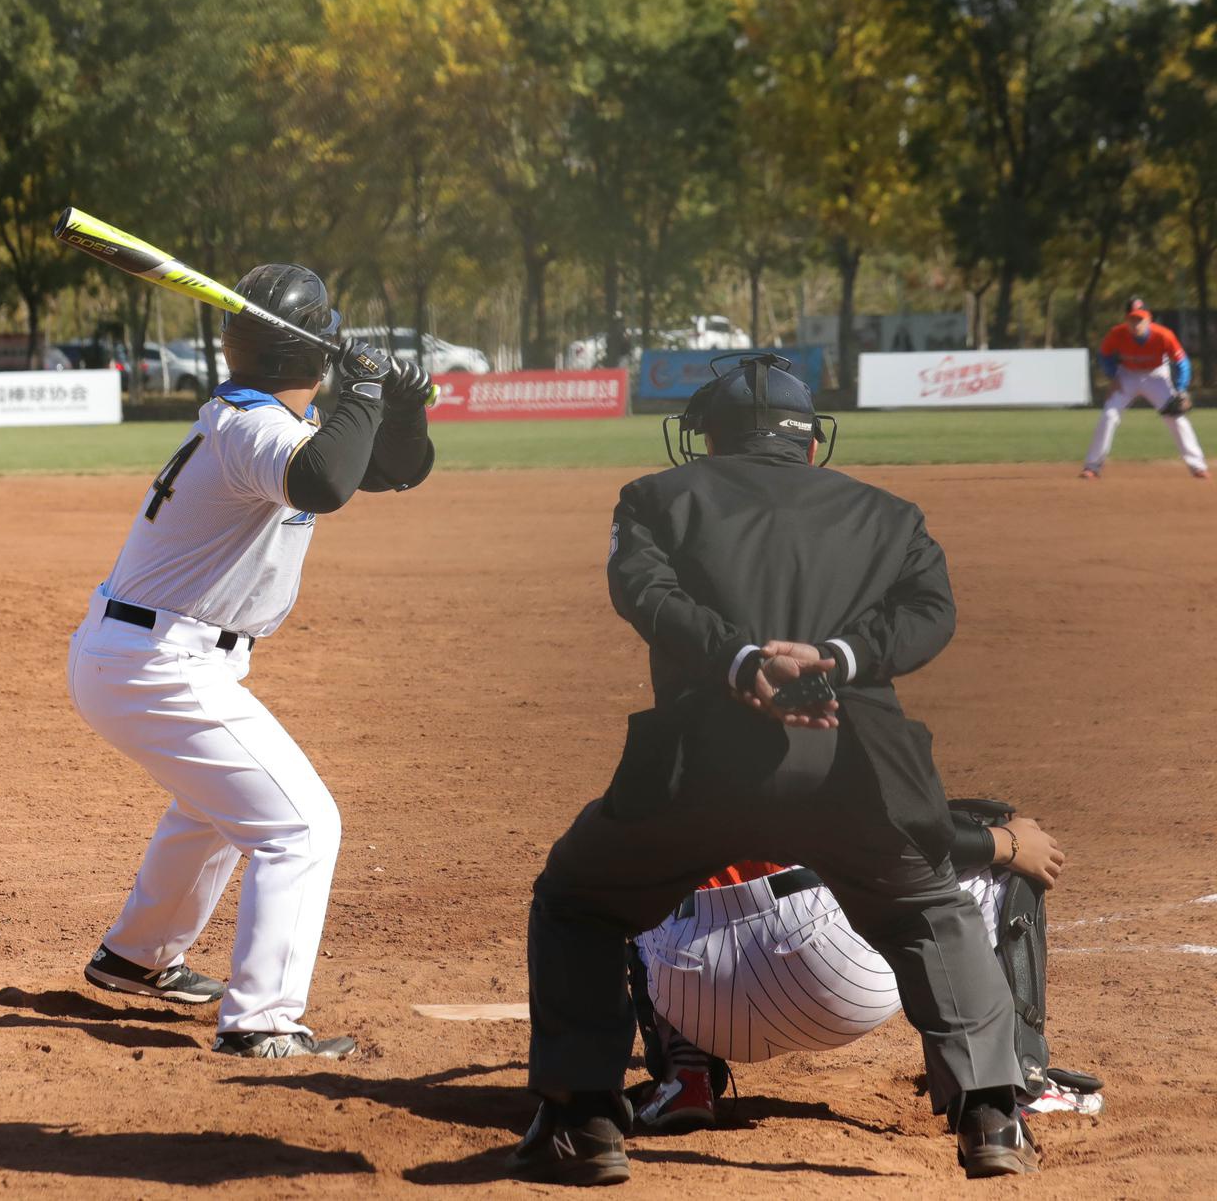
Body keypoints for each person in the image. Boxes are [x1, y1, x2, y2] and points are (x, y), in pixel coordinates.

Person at [512, 354, 1039, 1186]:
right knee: (929, 910)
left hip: (704, 763)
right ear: (808, 439)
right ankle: (990, 1116)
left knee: (579, 900)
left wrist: (739, 658)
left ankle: (585, 1121)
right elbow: (932, 616)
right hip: (857, 762)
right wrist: (841, 655)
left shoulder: (657, 496)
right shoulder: (889, 514)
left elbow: (640, 590)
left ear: (706, 437)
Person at [66, 265, 433, 1060]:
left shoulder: (256, 419)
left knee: (221, 805)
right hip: (159, 656)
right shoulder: (252, 429)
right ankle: (262, 1020)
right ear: (310, 353)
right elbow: (326, 481)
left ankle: (137, 955)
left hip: (149, 651)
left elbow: (392, 468)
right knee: (301, 825)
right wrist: (363, 391)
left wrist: (400, 402)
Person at [628, 801, 1104, 1133]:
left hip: (690, 983)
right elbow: (898, 837)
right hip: (822, 968)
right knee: (1006, 853)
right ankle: (1018, 1082)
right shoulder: (817, 713)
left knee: (631, 880)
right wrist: (1003, 841)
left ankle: (683, 1078)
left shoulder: (675, 730)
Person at [1081, 305, 1205, 480]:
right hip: (1127, 375)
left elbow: (1182, 362)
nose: (1136, 323)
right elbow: (1104, 355)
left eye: (1140, 319)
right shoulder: (1116, 334)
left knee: (1175, 416)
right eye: (1132, 319)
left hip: (1157, 375)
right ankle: (1092, 467)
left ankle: (1197, 466)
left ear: (1148, 320)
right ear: (1126, 320)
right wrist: (1112, 376)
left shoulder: (1163, 335)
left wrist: (1181, 389)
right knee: (1109, 415)